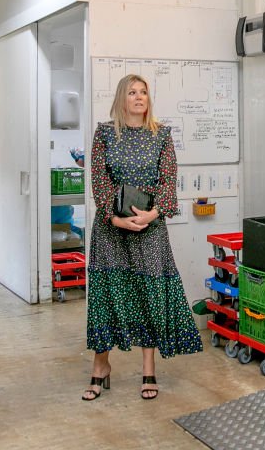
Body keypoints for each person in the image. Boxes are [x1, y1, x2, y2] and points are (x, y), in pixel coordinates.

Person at [83, 74, 202, 401]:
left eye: (144, 92)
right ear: (122, 98)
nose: (139, 97)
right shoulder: (105, 133)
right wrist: (115, 218)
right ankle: (100, 366)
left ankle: (149, 369)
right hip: (111, 231)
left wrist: (152, 214)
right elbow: (99, 180)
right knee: (106, 297)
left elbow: (168, 179)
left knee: (148, 295)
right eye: (132, 92)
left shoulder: (161, 134)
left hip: (150, 229)